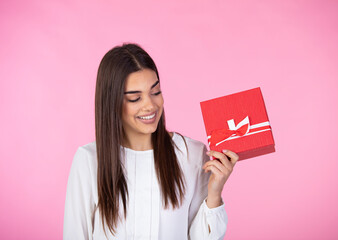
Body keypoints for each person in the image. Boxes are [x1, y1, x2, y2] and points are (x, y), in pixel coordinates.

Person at [63, 43, 239, 240]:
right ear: (112, 102)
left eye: (155, 92)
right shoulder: (88, 161)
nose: (150, 105)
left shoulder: (192, 154)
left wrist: (214, 193)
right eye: (135, 98)